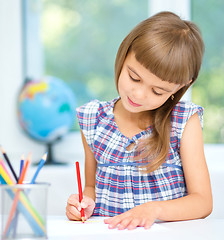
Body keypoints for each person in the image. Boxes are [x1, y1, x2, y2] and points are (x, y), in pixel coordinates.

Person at [66, 11, 213, 230]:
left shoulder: (183, 122)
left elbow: (202, 202)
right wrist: (83, 205)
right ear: (124, 55)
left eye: (157, 91)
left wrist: (154, 209)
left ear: (180, 87)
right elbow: (90, 188)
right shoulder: (93, 119)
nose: (139, 94)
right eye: (134, 77)